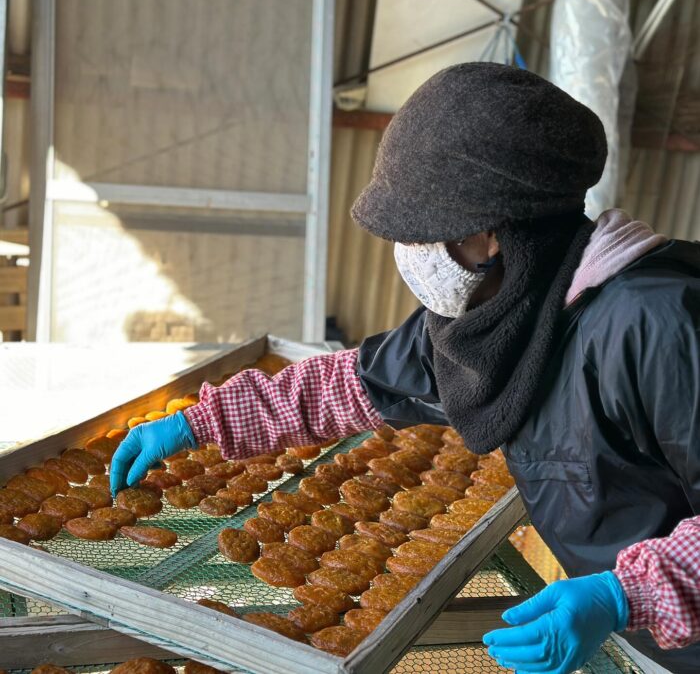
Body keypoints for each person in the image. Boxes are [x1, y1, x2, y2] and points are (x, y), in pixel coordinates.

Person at [110, 63, 700, 673]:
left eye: (421, 233)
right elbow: (356, 384)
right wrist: (203, 424)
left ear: (490, 233)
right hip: (654, 638)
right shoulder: (499, 319)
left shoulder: (655, 324)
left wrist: (625, 594)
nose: (408, 253)